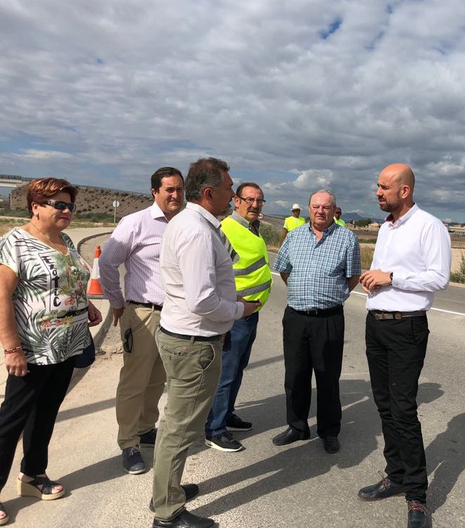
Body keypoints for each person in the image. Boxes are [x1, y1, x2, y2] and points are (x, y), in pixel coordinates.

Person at [151, 158, 259, 528]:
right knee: (179, 430)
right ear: (210, 193)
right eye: (229, 188)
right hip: (193, 343)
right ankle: (167, 512)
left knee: (175, 426)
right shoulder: (197, 231)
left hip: (186, 336)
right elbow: (201, 300)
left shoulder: (189, 222)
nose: (233, 194)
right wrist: (239, 310)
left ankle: (169, 490)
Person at [0, 178, 102, 526]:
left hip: (67, 345)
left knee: (45, 413)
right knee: (10, 421)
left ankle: (33, 475)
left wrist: (85, 305)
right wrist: (11, 347)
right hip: (31, 347)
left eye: (70, 206)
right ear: (36, 206)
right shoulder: (15, 242)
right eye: (59, 204)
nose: (66, 211)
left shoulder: (65, 240)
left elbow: (69, 280)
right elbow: (2, 297)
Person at [358, 163, 451, 528]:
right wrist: (375, 280)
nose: (377, 192)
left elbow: (439, 278)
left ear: (405, 190)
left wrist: (391, 276)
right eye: (378, 186)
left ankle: (417, 496)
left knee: (403, 410)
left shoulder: (430, 226)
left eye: (383, 187)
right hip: (376, 325)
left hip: (405, 329)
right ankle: (395, 474)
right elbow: (386, 274)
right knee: (384, 406)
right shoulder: (386, 227)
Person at [98, 167, 184, 475]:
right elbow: (107, 262)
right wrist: (117, 302)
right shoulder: (135, 223)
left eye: (179, 189)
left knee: (158, 378)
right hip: (144, 313)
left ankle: (147, 429)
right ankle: (128, 442)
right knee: (135, 380)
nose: (175, 195)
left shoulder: (184, 223)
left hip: (176, 316)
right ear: (155, 192)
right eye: (169, 190)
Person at [272, 190, 360, 454]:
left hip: (329, 318)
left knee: (328, 377)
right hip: (297, 317)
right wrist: (303, 292)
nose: (320, 211)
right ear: (309, 208)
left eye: (326, 207)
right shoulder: (295, 236)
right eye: (316, 206)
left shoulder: (347, 238)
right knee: (295, 375)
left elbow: (353, 276)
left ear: (334, 210)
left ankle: (329, 431)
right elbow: (284, 269)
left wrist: (332, 295)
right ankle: (297, 426)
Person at [204, 182, 272, 452]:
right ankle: (215, 428)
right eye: (250, 200)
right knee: (226, 373)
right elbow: (215, 274)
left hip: (250, 313)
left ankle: (227, 414)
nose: (255, 205)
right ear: (236, 201)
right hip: (235, 315)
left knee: (237, 369)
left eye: (260, 201)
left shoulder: (251, 228)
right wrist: (230, 306)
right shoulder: (228, 230)